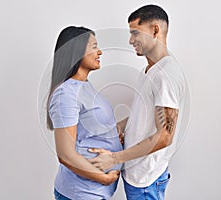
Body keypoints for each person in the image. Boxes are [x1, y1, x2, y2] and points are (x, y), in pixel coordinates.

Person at [88, 5, 186, 200]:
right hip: (137, 175)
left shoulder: (166, 76)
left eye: (135, 33)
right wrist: (121, 126)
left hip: (146, 181)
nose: (130, 40)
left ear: (155, 30)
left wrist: (113, 159)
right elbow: (144, 114)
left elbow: (165, 136)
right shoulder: (149, 71)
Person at [47, 26, 123, 200]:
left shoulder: (84, 85)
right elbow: (65, 154)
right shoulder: (66, 94)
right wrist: (103, 178)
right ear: (77, 51)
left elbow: (89, 127)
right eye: (94, 47)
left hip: (93, 192)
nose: (100, 52)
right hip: (81, 193)